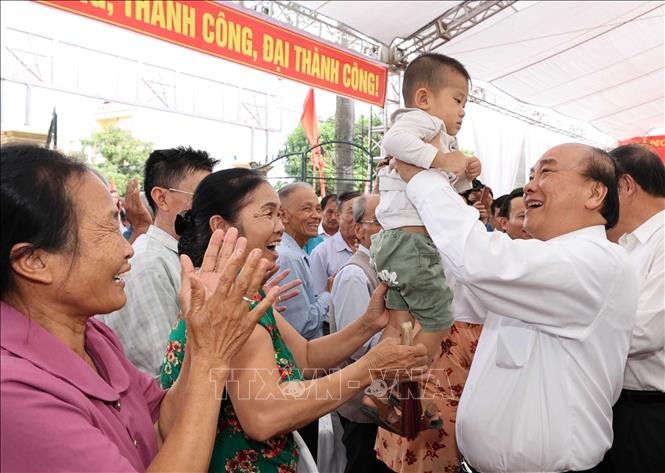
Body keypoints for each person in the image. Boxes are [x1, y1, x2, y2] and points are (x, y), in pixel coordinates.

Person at [0, 144, 281, 472]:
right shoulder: (14, 391)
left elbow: (163, 421)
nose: (128, 248)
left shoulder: (95, 338)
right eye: (108, 229)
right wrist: (211, 359)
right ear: (35, 262)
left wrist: (201, 334)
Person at [159, 168, 430, 473]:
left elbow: (305, 356)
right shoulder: (225, 304)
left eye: (280, 215)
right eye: (268, 214)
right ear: (221, 225)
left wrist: (367, 324)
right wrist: (371, 367)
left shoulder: (245, 291)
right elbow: (264, 416)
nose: (280, 227)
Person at [394, 143, 639, 472]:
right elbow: (458, 292)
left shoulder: (597, 260)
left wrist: (425, 181)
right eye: (531, 174)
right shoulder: (542, 260)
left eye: (547, 172)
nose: (531, 185)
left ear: (595, 193)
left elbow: (480, 262)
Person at [372, 53, 481, 367]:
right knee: (439, 316)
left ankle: (376, 387)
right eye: (458, 100)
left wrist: (464, 173)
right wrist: (443, 160)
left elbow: (444, 190)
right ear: (424, 98)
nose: (462, 112)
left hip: (397, 243)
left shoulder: (440, 140)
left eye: (465, 105)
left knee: (400, 323)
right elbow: (394, 140)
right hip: (412, 244)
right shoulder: (423, 121)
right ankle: (402, 380)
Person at [100, 147, 217, 377]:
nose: (213, 210)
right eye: (202, 198)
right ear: (161, 198)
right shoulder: (149, 265)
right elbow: (162, 375)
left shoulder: (186, 257)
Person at [599, 144, 665, 473]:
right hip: (623, 405)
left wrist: (573, 328)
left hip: (650, 410)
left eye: (602, 190)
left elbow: (644, 332)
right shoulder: (630, 244)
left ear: (625, 186)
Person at [329, 193, 392, 473]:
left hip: (377, 399)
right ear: (358, 230)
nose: (389, 230)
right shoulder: (355, 275)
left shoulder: (383, 269)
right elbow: (356, 347)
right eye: (379, 222)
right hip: (361, 404)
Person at [273, 182, 330, 340]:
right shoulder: (287, 257)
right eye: (306, 209)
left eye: (318, 209)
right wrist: (327, 294)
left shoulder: (295, 251)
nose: (316, 216)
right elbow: (302, 325)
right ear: (283, 215)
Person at [310, 191, 361, 296]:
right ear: (338, 215)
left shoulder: (373, 249)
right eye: (351, 212)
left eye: (361, 213)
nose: (357, 218)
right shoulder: (321, 253)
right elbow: (318, 296)